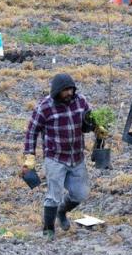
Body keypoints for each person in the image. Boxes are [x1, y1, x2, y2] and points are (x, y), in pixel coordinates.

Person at [22, 73, 104, 240]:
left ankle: (62, 211)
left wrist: (97, 127)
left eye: (71, 89)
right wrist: (29, 156)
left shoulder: (80, 101)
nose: (69, 93)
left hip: (77, 157)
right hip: (55, 158)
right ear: (56, 91)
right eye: (65, 90)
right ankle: (48, 229)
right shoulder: (44, 107)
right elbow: (32, 132)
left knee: (80, 194)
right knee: (53, 195)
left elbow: (88, 121)